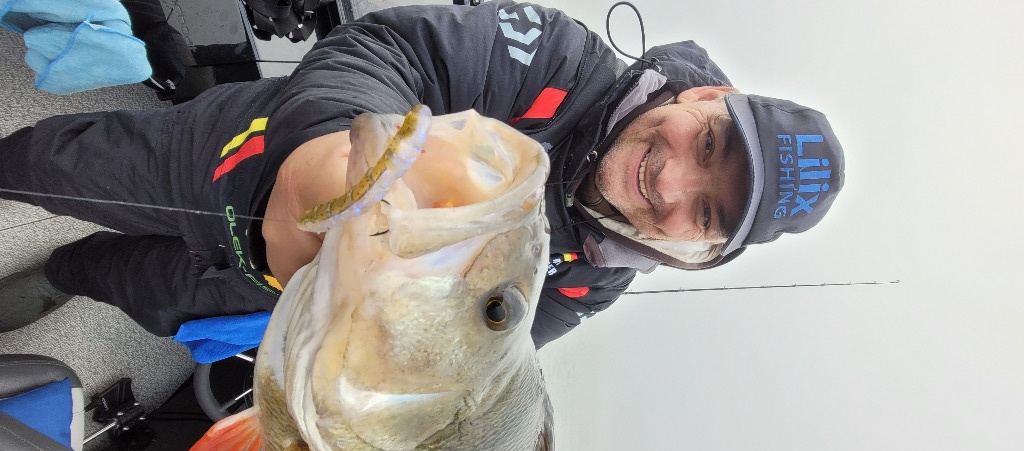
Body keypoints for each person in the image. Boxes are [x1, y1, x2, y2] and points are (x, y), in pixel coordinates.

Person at [0, 1, 844, 348]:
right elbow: (392, 51)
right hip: (228, 162)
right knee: (51, 165)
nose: (673, 184)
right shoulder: (559, 58)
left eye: (707, 214)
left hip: (273, 292)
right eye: (710, 145)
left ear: (702, 249)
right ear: (709, 96)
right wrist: (330, 159)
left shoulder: (596, 283)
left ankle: (62, 274)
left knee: (136, 288)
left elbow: (491, 350)